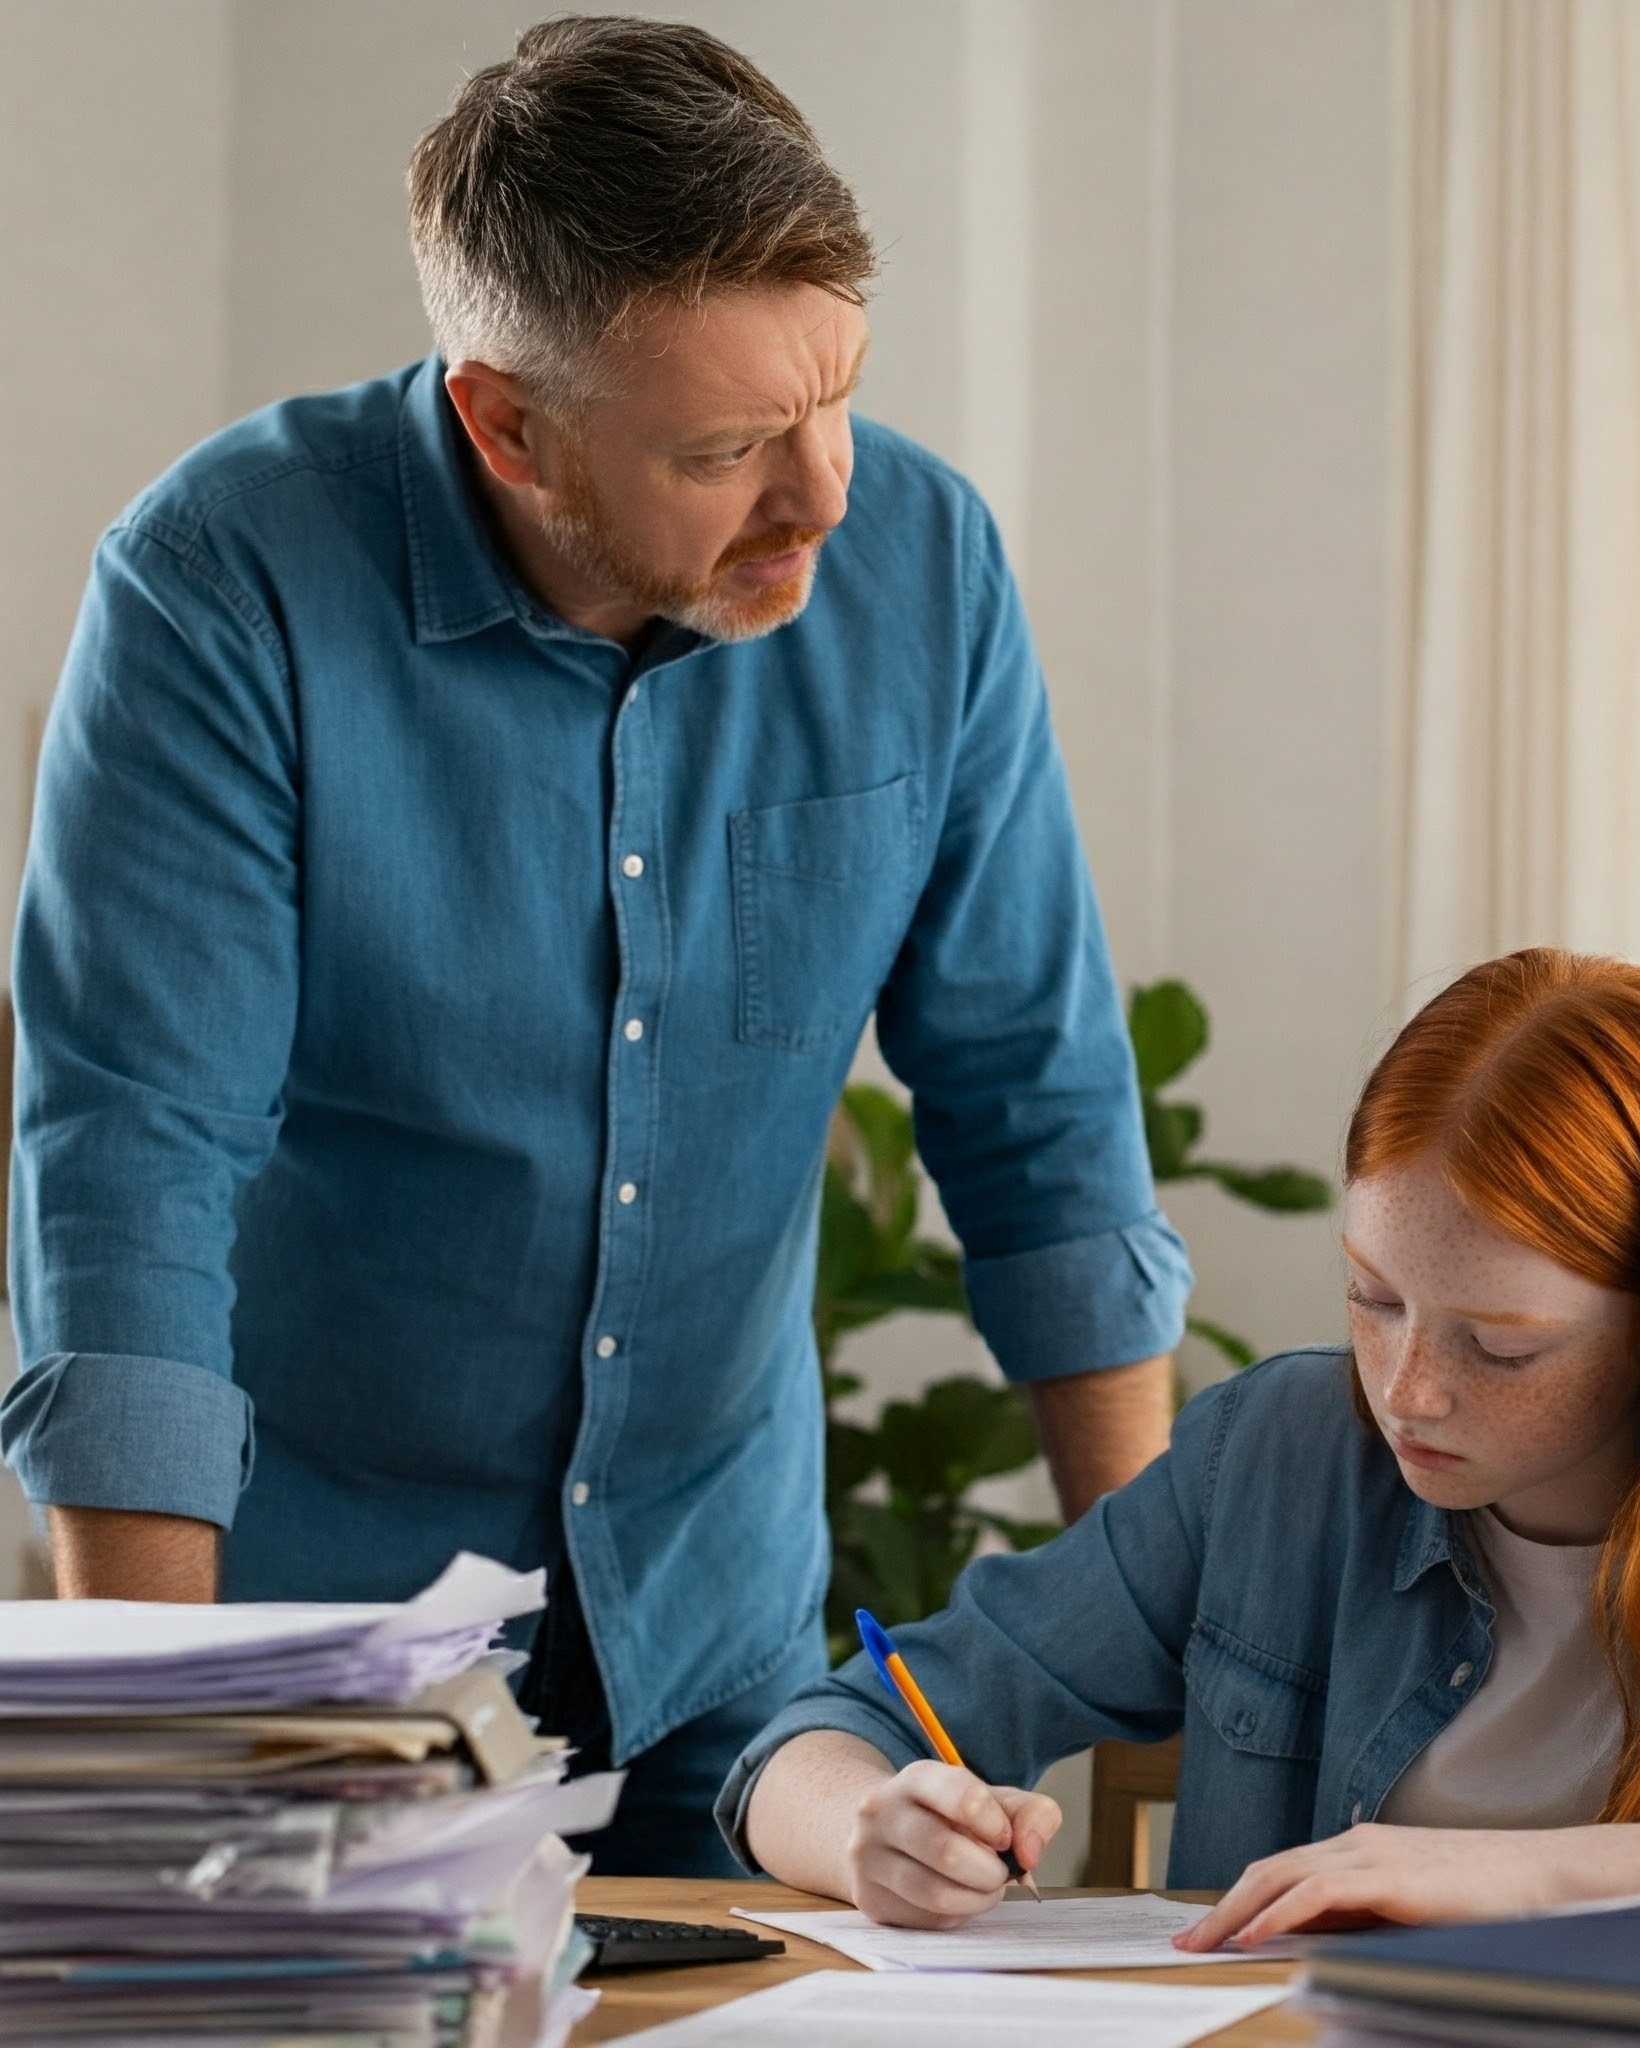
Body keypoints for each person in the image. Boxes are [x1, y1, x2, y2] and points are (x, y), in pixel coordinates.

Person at [0, 17, 1189, 1876]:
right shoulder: (221, 588)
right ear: (507, 421)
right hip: (323, 1663)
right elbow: (131, 1167)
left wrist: (1181, 1672)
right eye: (728, 448)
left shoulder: (925, 571)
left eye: (838, 397)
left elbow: (1038, 1105)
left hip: (723, 1663)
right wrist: (163, 1752)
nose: (825, 495)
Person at [723, 947, 1640, 1940]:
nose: (1408, 1391)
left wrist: (1512, 1878)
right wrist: (869, 1833)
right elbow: (829, 1731)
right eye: (1372, 1299)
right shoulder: (1279, 1457)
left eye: (1500, 1344)